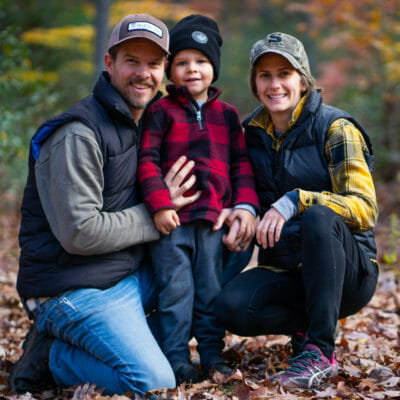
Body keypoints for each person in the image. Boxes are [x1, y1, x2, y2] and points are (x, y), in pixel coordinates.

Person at [8, 14, 205, 396]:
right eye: (131, 60)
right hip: (71, 288)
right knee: (153, 382)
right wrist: (158, 212)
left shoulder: (152, 121)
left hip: (122, 274)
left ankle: (135, 343)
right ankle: (53, 357)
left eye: (153, 63)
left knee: (203, 259)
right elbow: (79, 234)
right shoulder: (78, 134)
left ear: (165, 70)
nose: (142, 73)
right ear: (109, 63)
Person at [214, 32, 379, 390]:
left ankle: (321, 351)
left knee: (318, 216)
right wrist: (241, 210)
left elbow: (365, 209)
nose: (275, 84)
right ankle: (305, 329)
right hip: (289, 271)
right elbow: (241, 190)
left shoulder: (336, 129)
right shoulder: (250, 134)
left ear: (302, 80)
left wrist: (297, 200)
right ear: (255, 83)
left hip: (348, 275)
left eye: (284, 74)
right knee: (231, 306)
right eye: (265, 75)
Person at [138, 15, 259, 385]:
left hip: (212, 221)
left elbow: (242, 166)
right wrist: (159, 203)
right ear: (171, 69)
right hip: (172, 223)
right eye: (183, 62)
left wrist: (244, 205)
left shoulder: (228, 115)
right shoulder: (160, 111)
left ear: (214, 68)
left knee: (210, 291)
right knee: (175, 291)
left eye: (201, 61)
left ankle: (210, 355)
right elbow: (146, 161)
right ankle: (175, 358)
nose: (193, 69)